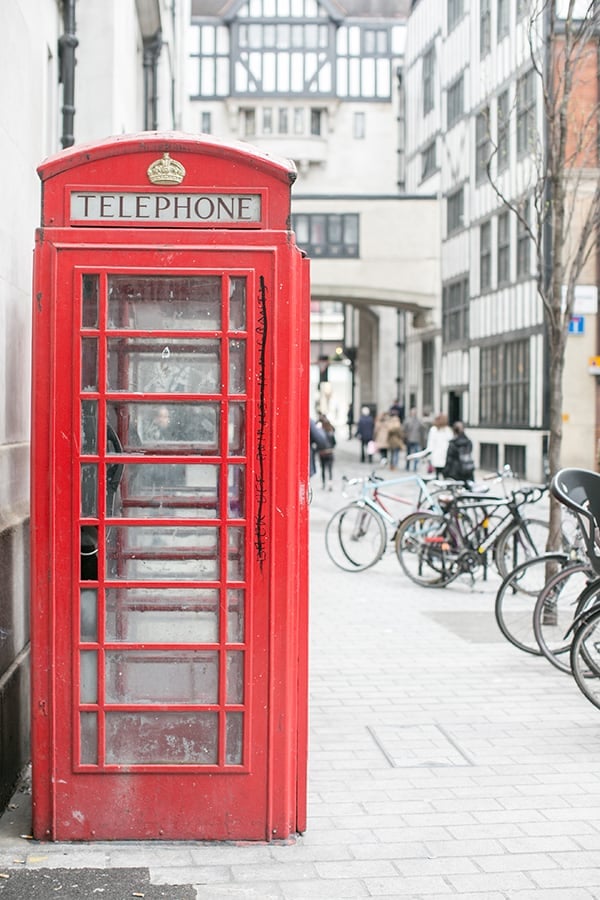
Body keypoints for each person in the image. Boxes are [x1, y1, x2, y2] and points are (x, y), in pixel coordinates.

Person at [426, 412, 453, 478]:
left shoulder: (434, 430)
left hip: (437, 454)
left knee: (437, 473)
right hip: (445, 454)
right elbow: (451, 442)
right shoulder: (448, 430)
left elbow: (430, 444)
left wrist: (429, 455)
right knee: (445, 473)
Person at [317, 414, 336, 490]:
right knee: (330, 469)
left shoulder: (321, 432)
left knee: (323, 469)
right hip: (330, 452)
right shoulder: (331, 431)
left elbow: (318, 442)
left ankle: (323, 483)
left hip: (322, 453)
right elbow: (334, 442)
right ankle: (330, 483)